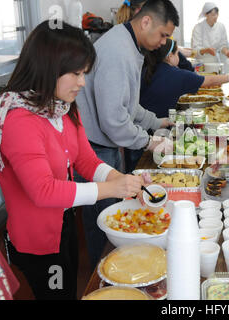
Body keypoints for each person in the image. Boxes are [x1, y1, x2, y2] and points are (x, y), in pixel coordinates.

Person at [0, 21, 147, 300]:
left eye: (84, 73)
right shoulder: (20, 119)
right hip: (37, 239)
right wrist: (112, 189)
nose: (82, 82)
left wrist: (120, 179)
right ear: (49, 67)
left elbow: (86, 161)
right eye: (76, 73)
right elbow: (43, 191)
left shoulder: (62, 108)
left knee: (68, 287)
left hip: (64, 221)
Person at [75, 0, 179, 270]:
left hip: (105, 145)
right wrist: (148, 141)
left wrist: (158, 122)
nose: (163, 42)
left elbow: (129, 105)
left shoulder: (131, 46)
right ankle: (105, 276)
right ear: (146, 21)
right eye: (163, 35)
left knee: (111, 210)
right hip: (95, 148)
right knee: (106, 219)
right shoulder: (117, 51)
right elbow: (114, 120)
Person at [140, 38, 229, 118]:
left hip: (141, 121)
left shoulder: (147, 69)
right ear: (170, 56)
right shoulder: (176, 75)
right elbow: (208, 80)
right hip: (158, 124)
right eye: (177, 54)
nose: (179, 57)